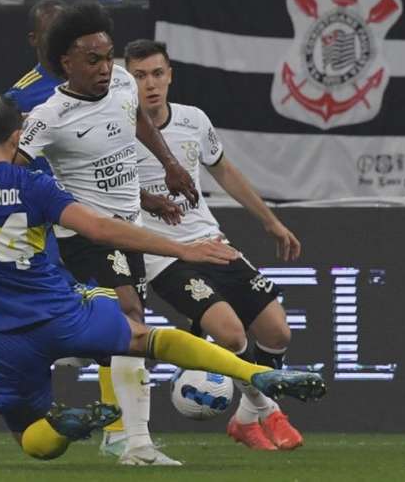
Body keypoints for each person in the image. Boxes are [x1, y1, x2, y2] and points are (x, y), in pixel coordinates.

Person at [0, 37, 326, 462]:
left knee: (31, 439)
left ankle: (61, 426)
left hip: (1, 336)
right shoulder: (36, 187)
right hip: (62, 315)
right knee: (146, 337)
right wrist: (182, 250)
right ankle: (254, 376)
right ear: (17, 135)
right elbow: (101, 229)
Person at [16, 1, 199, 465]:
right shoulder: (47, 116)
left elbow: (134, 120)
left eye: (108, 56)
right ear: (66, 63)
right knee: (130, 319)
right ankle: (135, 442)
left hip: (129, 227)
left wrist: (169, 168)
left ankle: (71, 345)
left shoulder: (120, 82)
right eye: (93, 59)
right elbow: (13, 172)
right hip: (89, 233)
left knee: (121, 328)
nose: (106, 68)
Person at [125, 39, 305, 450]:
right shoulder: (116, 131)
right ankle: (270, 409)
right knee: (229, 333)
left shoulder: (193, 120)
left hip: (211, 241)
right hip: (162, 255)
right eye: (139, 76)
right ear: (126, 79)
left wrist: (271, 222)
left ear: (170, 75)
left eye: (156, 73)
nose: (150, 84)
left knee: (277, 332)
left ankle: (246, 416)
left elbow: (224, 171)